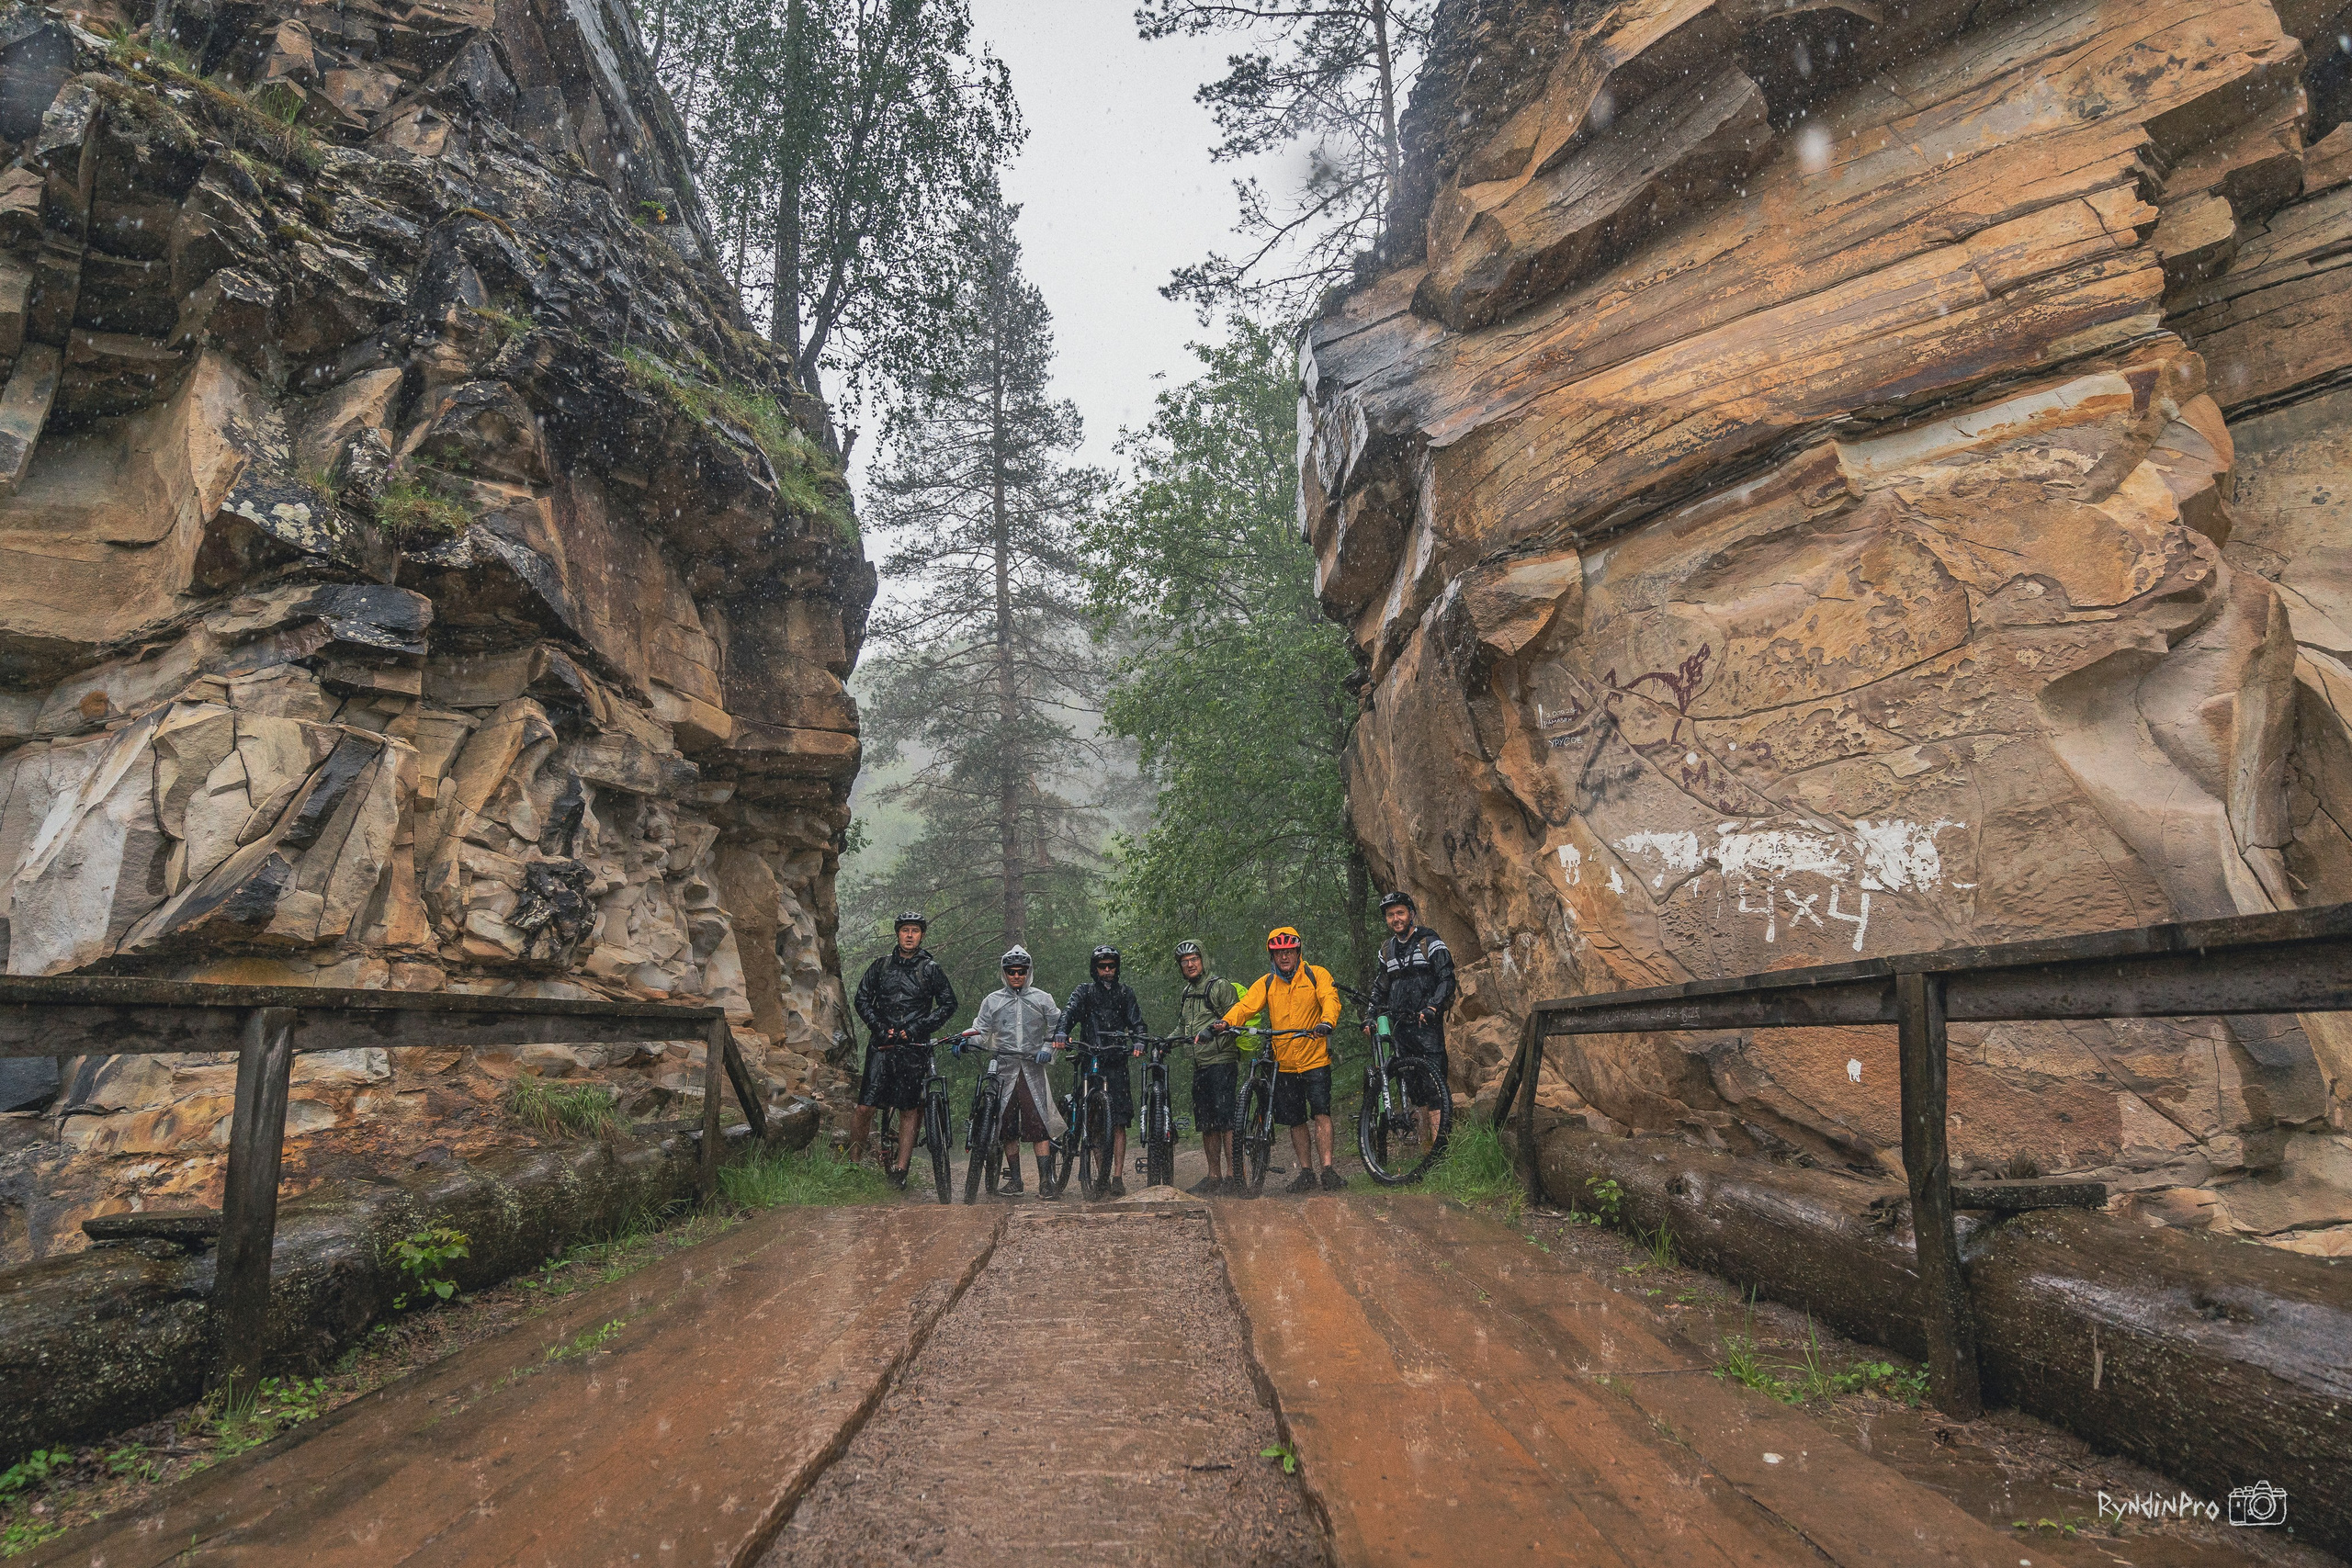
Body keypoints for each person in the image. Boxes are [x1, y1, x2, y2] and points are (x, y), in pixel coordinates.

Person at [1216, 927, 1344, 1193]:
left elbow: (1330, 998)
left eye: (1288, 951)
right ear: (1271, 956)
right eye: (1278, 953)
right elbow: (1246, 1006)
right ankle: (1307, 1172)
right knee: (1295, 1120)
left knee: (1321, 1113)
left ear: (1298, 952)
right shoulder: (1266, 983)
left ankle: (1328, 1170)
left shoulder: (1316, 974)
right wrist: (1227, 1021)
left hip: (1315, 1058)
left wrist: (1326, 1021)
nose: (1284, 957)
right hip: (1283, 1063)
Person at [850, 912, 958, 1187]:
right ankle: (852, 1166)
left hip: (913, 1046)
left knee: (909, 1109)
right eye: (905, 930)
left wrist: (918, 1028)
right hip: (882, 1044)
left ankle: (900, 1170)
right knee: (865, 1107)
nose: (910, 935)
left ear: (922, 935)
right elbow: (862, 999)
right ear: (897, 934)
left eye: (915, 931)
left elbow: (948, 1004)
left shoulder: (930, 968)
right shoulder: (881, 966)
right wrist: (879, 1026)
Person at [959, 944, 1063, 1198]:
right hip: (1003, 1071)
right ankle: (1015, 1181)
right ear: (1003, 973)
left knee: (1038, 1124)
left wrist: (1048, 1049)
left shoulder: (1042, 999)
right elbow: (980, 1030)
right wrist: (965, 1041)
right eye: (1011, 971)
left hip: (1032, 1070)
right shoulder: (992, 1001)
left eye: (1021, 971)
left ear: (1029, 972)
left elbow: (1058, 1027)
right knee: (1006, 1127)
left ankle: (1045, 1183)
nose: (1016, 976)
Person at [1054, 944, 1147, 1198]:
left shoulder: (1125, 993)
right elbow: (1069, 1013)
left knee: (1118, 1122)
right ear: (1095, 969)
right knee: (1093, 1122)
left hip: (1116, 1061)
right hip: (1090, 1057)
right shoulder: (1084, 992)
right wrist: (1062, 1032)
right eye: (1102, 967)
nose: (1107, 971)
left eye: (1111, 966)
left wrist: (1139, 1039)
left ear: (1117, 968)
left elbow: (1137, 1022)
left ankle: (1116, 1177)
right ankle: (1100, 1175)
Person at [1367, 891, 1457, 1149]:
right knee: (1414, 1087)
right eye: (1390, 915)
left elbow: (1447, 979)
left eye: (1400, 913)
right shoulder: (1386, 950)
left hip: (1426, 1025)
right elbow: (1380, 988)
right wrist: (1370, 1016)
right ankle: (1426, 1148)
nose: (1396, 919)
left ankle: (1440, 1150)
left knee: (1435, 1086)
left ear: (1411, 914)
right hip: (1401, 1028)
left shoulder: (1430, 941)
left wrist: (1433, 1006)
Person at [1173, 940, 1241, 1196]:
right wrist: (1165, 1042)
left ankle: (1234, 1176)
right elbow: (1183, 1026)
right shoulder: (1186, 992)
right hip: (1200, 1063)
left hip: (1222, 1061)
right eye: (1184, 961)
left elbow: (1234, 1019)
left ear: (1203, 960)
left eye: (1194, 959)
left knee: (1225, 1121)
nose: (1190, 965)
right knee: (1206, 1123)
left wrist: (1214, 1033)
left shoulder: (1219, 986)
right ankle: (1214, 1176)